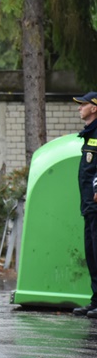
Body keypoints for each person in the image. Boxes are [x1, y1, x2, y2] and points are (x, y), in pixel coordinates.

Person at [72, 92, 97, 317]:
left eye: (83, 105)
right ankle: (95, 300)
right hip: (89, 205)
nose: (79, 108)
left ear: (95, 108)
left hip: (96, 204)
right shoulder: (89, 134)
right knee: (91, 252)